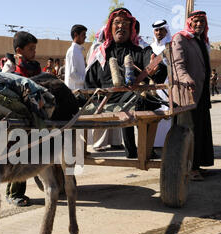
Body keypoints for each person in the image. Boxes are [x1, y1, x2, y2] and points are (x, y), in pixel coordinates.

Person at [85, 8, 158, 159]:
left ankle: (145, 149)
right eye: (117, 22)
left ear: (131, 28)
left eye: (125, 23)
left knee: (144, 102)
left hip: (134, 97)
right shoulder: (100, 52)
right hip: (107, 100)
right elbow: (89, 81)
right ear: (110, 27)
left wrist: (153, 67)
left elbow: (154, 64)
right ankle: (130, 151)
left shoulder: (140, 49)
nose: (121, 26)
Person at [172, 10, 214, 181]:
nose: (199, 24)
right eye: (195, 21)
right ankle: (188, 168)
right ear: (189, 22)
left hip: (201, 92)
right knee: (189, 131)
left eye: (202, 21)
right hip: (186, 93)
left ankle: (197, 165)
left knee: (201, 129)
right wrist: (186, 78)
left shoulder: (201, 41)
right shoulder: (180, 38)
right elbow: (177, 64)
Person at [5, 31, 42, 207]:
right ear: (19, 50)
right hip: (16, 118)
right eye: (30, 49)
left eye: (35, 48)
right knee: (19, 155)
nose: (34, 52)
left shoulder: (34, 66)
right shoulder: (10, 68)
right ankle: (14, 194)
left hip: (32, 116)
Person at [144, 19, 172, 149]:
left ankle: (168, 142)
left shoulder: (172, 45)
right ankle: (155, 143)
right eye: (156, 30)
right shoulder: (150, 48)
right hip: (154, 85)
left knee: (168, 112)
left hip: (169, 84)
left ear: (166, 30)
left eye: (161, 29)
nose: (159, 32)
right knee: (156, 113)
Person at [65, 24, 87, 90]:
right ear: (76, 35)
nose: (85, 37)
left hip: (79, 90)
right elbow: (72, 74)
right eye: (83, 34)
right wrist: (86, 80)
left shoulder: (78, 50)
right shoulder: (72, 51)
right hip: (74, 91)